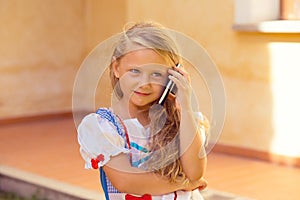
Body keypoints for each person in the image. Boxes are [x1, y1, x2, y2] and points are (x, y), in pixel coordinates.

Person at [77, 21, 210, 200]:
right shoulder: (103, 127)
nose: (144, 83)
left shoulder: (184, 121)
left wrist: (185, 107)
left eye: (156, 74)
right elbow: (126, 181)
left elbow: (195, 172)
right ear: (116, 68)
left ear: (172, 77)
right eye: (135, 71)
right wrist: (185, 184)